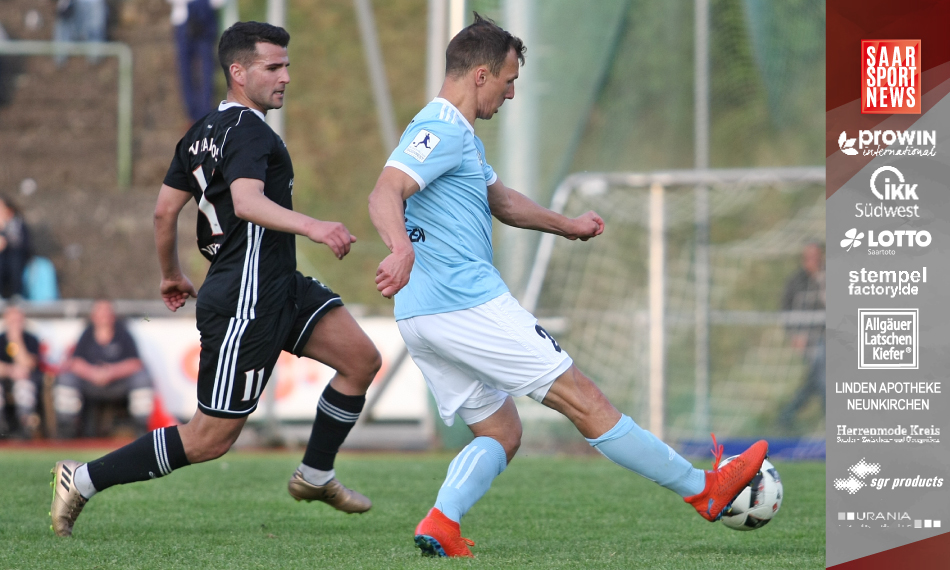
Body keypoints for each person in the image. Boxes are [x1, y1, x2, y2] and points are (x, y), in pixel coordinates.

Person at [368, 14, 769, 558]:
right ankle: (705, 490)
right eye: (508, 82)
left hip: (422, 317)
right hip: (465, 304)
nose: (511, 95)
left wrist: (568, 225)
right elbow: (385, 191)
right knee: (585, 400)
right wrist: (401, 249)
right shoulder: (437, 128)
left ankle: (442, 520)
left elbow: (502, 200)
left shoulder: (459, 135)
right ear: (481, 74)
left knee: (502, 432)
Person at [50, 21, 382, 537]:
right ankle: (83, 478)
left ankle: (315, 473)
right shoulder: (251, 131)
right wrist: (315, 226)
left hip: (276, 284)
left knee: (361, 360)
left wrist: (171, 275)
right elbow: (247, 203)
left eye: (286, 65)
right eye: (273, 67)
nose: (286, 77)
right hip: (245, 298)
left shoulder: (201, 132)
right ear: (238, 71)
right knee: (208, 439)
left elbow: (164, 213)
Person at [53, 300, 154, 438]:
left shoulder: (123, 333)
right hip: (90, 383)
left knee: (141, 378)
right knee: (66, 378)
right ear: (93, 315)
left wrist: (112, 372)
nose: (104, 315)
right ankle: (66, 430)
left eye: (107, 311)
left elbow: (136, 363)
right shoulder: (87, 334)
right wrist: (92, 373)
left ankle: (141, 428)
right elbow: (74, 362)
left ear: (113, 315)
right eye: (100, 311)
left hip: (118, 384)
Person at [779, 242, 825, 428]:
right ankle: (786, 417)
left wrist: (820, 279)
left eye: (815, 257)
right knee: (819, 378)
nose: (811, 261)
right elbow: (786, 309)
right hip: (808, 340)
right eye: (808, 257)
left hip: (827, 338)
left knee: (821, 378)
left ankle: (785, 417)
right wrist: (794, 334)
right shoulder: (796, 281)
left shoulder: (827, 278)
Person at [168, 0, 224, 124]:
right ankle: (192, 116)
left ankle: (205, 114)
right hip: (182, 18)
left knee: (206, 70)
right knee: (185, 71)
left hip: (206, 15)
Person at [0, 305, 43, 439]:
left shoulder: (31, 339)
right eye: (12, 321)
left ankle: (24, 428)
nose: (15, 324)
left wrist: (16, 340)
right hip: (4, 380)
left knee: (23, 386)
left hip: (26, 381)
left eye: (18, 320)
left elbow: (28, 365)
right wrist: (11, 370)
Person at [52, 0, 108, 66]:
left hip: (94, 3)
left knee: (94, 34)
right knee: (64, 26)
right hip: (74, 3)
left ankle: (94, 61)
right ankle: (60, 59)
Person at [0, 196, 31, 299]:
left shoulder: (17, 224)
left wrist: (6, 239)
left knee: (15, 263)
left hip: (16, 257)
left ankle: (17, 295)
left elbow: (23, 243)